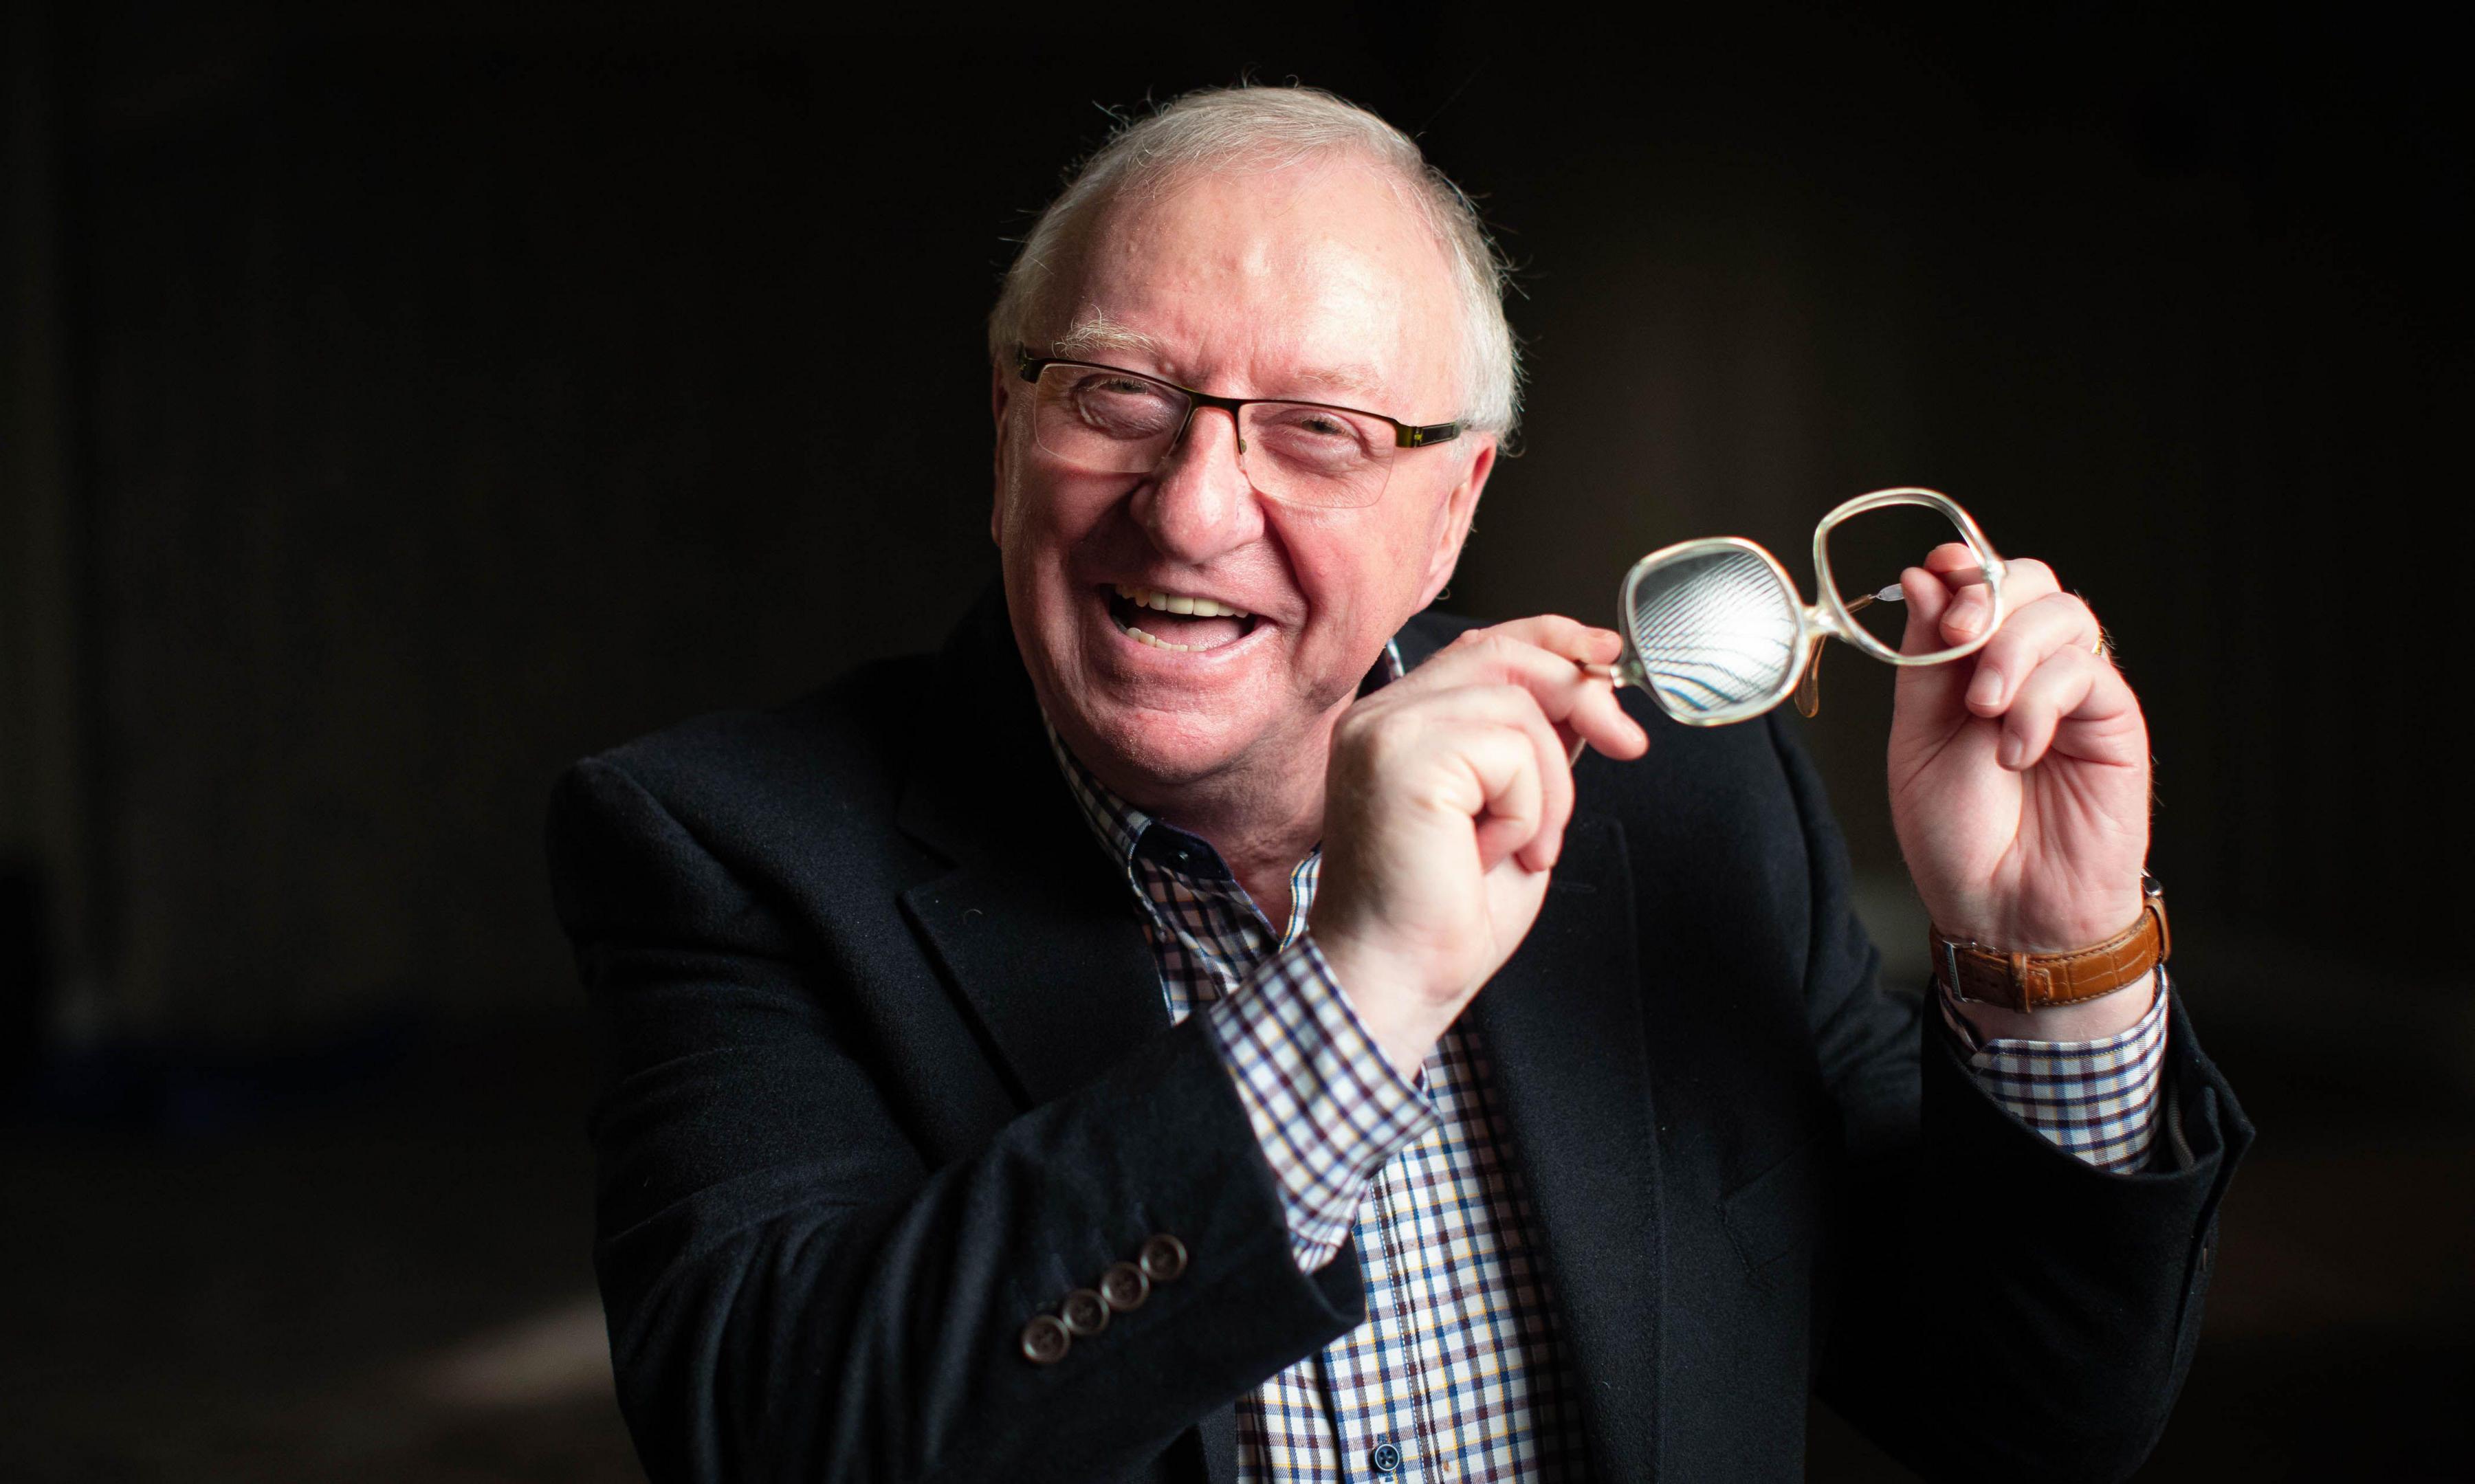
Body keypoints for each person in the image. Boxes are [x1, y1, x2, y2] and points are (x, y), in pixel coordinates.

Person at [547, 85, 2250, 1483]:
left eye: (1320, 433)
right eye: (1120, 397)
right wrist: (1354, 996)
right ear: (1005, 429)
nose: (1195, 506)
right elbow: (775, 1439)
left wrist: (2056, 966)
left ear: (1458, 506)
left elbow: (2038, 1419)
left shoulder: (1689, 814)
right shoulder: (724, 850)